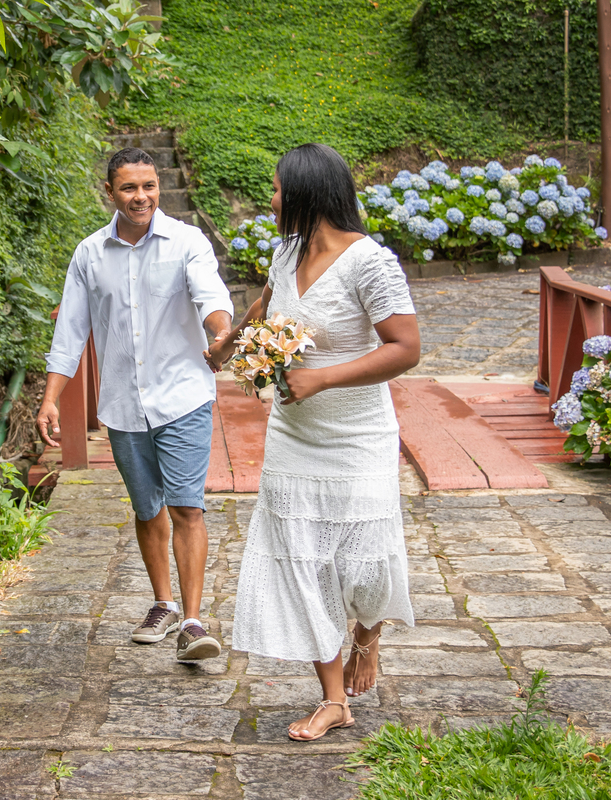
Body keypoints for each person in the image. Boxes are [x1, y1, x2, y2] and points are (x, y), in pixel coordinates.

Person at [207, 143, 420, 740]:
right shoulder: (286, 252)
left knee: (366, 564)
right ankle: (333, 700)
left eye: (276, 189)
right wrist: (231, 343)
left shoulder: (369, 263)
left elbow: (406, 348)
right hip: (293, 435)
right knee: (302, 561)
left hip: (357, 435)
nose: (270, 200)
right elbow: (268, 305)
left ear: (304, 194)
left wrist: (322, 375)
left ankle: (367, 633)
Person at [37, 147, 234, 660]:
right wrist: (51, 399)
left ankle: (193, 622)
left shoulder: (187, 242)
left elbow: (211, 297)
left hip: (184, 395)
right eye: (129, 187)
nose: (141, 196)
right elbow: (70, 333)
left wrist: (221, 333)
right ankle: (163, 604)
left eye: (148, 186)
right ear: (111, 192)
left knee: (187, 505)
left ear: (158, 187)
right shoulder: (89, 254)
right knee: (147, 509)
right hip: (124, 404)